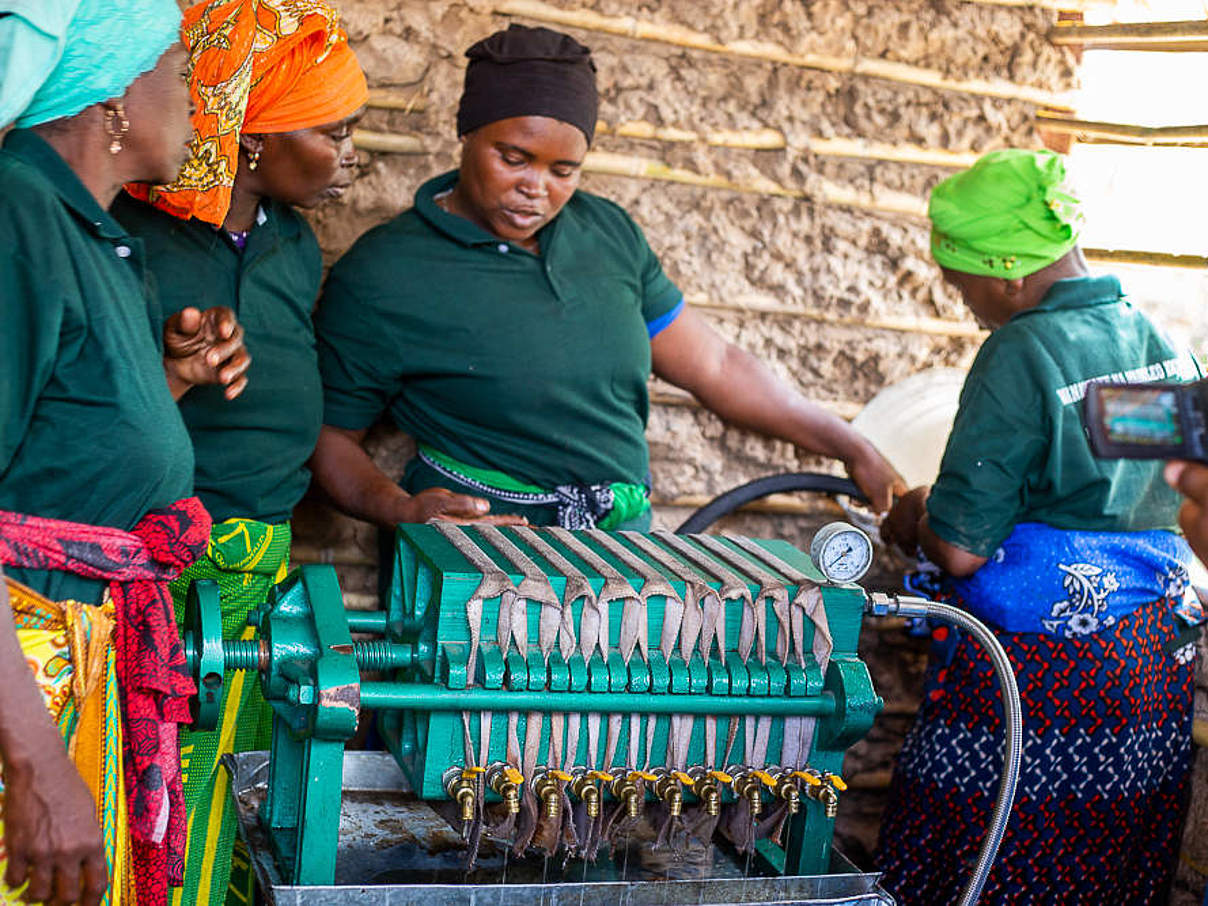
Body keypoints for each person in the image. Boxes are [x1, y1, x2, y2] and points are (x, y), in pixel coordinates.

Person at [311, 24, 902, 539]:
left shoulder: (607, 234)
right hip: (479, 555)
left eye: (563, 170)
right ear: (467, 133)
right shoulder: (387, 273)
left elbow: (717, 366)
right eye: (513, 158)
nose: (536, 187)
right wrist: (404, 510)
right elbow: (330, 439)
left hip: (615, 554)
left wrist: (848, 444)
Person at [877, 149, 1201, 905]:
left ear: (1008, 273)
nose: (966, 302)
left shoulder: (1021, 351)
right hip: (1144, 680)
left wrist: (911, 515)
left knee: (975, 858)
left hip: (1040, 682)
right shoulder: (1156, 345)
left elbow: (960, 548)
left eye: (963, 284)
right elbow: (1134, 495)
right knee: (1104, 872)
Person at [110, 2, 368, 903]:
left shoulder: (295, 246)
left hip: (258, 551)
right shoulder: (130, 235)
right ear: (250, 136)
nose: (348, 158)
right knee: (140, 778)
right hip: (153, 553)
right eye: (332, 133)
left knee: (224, 782)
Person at [0, 1, 248, 902]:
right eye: (181, 76)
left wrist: (164, 388)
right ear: (111, 98)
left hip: (74, 666)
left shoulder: (99, 238)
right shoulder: (17, 218)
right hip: (22, 686)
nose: (198, 104)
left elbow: (55, 447)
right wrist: (34, 768)